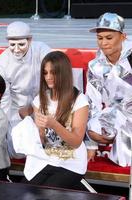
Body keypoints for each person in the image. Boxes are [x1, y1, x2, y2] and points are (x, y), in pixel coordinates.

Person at [17, 51, 89, 189]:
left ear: (64, 73)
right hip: (46, 159)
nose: (48, 77)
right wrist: (33, 129)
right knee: (24, 191)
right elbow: (42, 139)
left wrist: (54, 124)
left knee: (47, 193)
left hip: (71, 164)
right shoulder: (41, 99)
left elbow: (76, 141)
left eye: (53, 72)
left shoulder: (79, 100)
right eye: (45, 73)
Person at [0, 21, 51, 158]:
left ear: (30, 40)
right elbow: (5, 98)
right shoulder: (1, 63)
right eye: (12, 45)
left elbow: (54, 79)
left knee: (51, 143)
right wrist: (4, 126)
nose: (17, 49)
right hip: (17, 110)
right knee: (18, 149)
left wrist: (34, 108)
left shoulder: (42, 50)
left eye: (21, 44)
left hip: (46, 102)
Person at [85, 12, 132, 167]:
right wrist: (91, 145)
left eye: (109, 38)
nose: (103, 43)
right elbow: (92, 101)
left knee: (125, 163)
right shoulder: (95, 66)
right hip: (117, 114)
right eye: (100, 38)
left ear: (123, 37)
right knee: (93, 128)